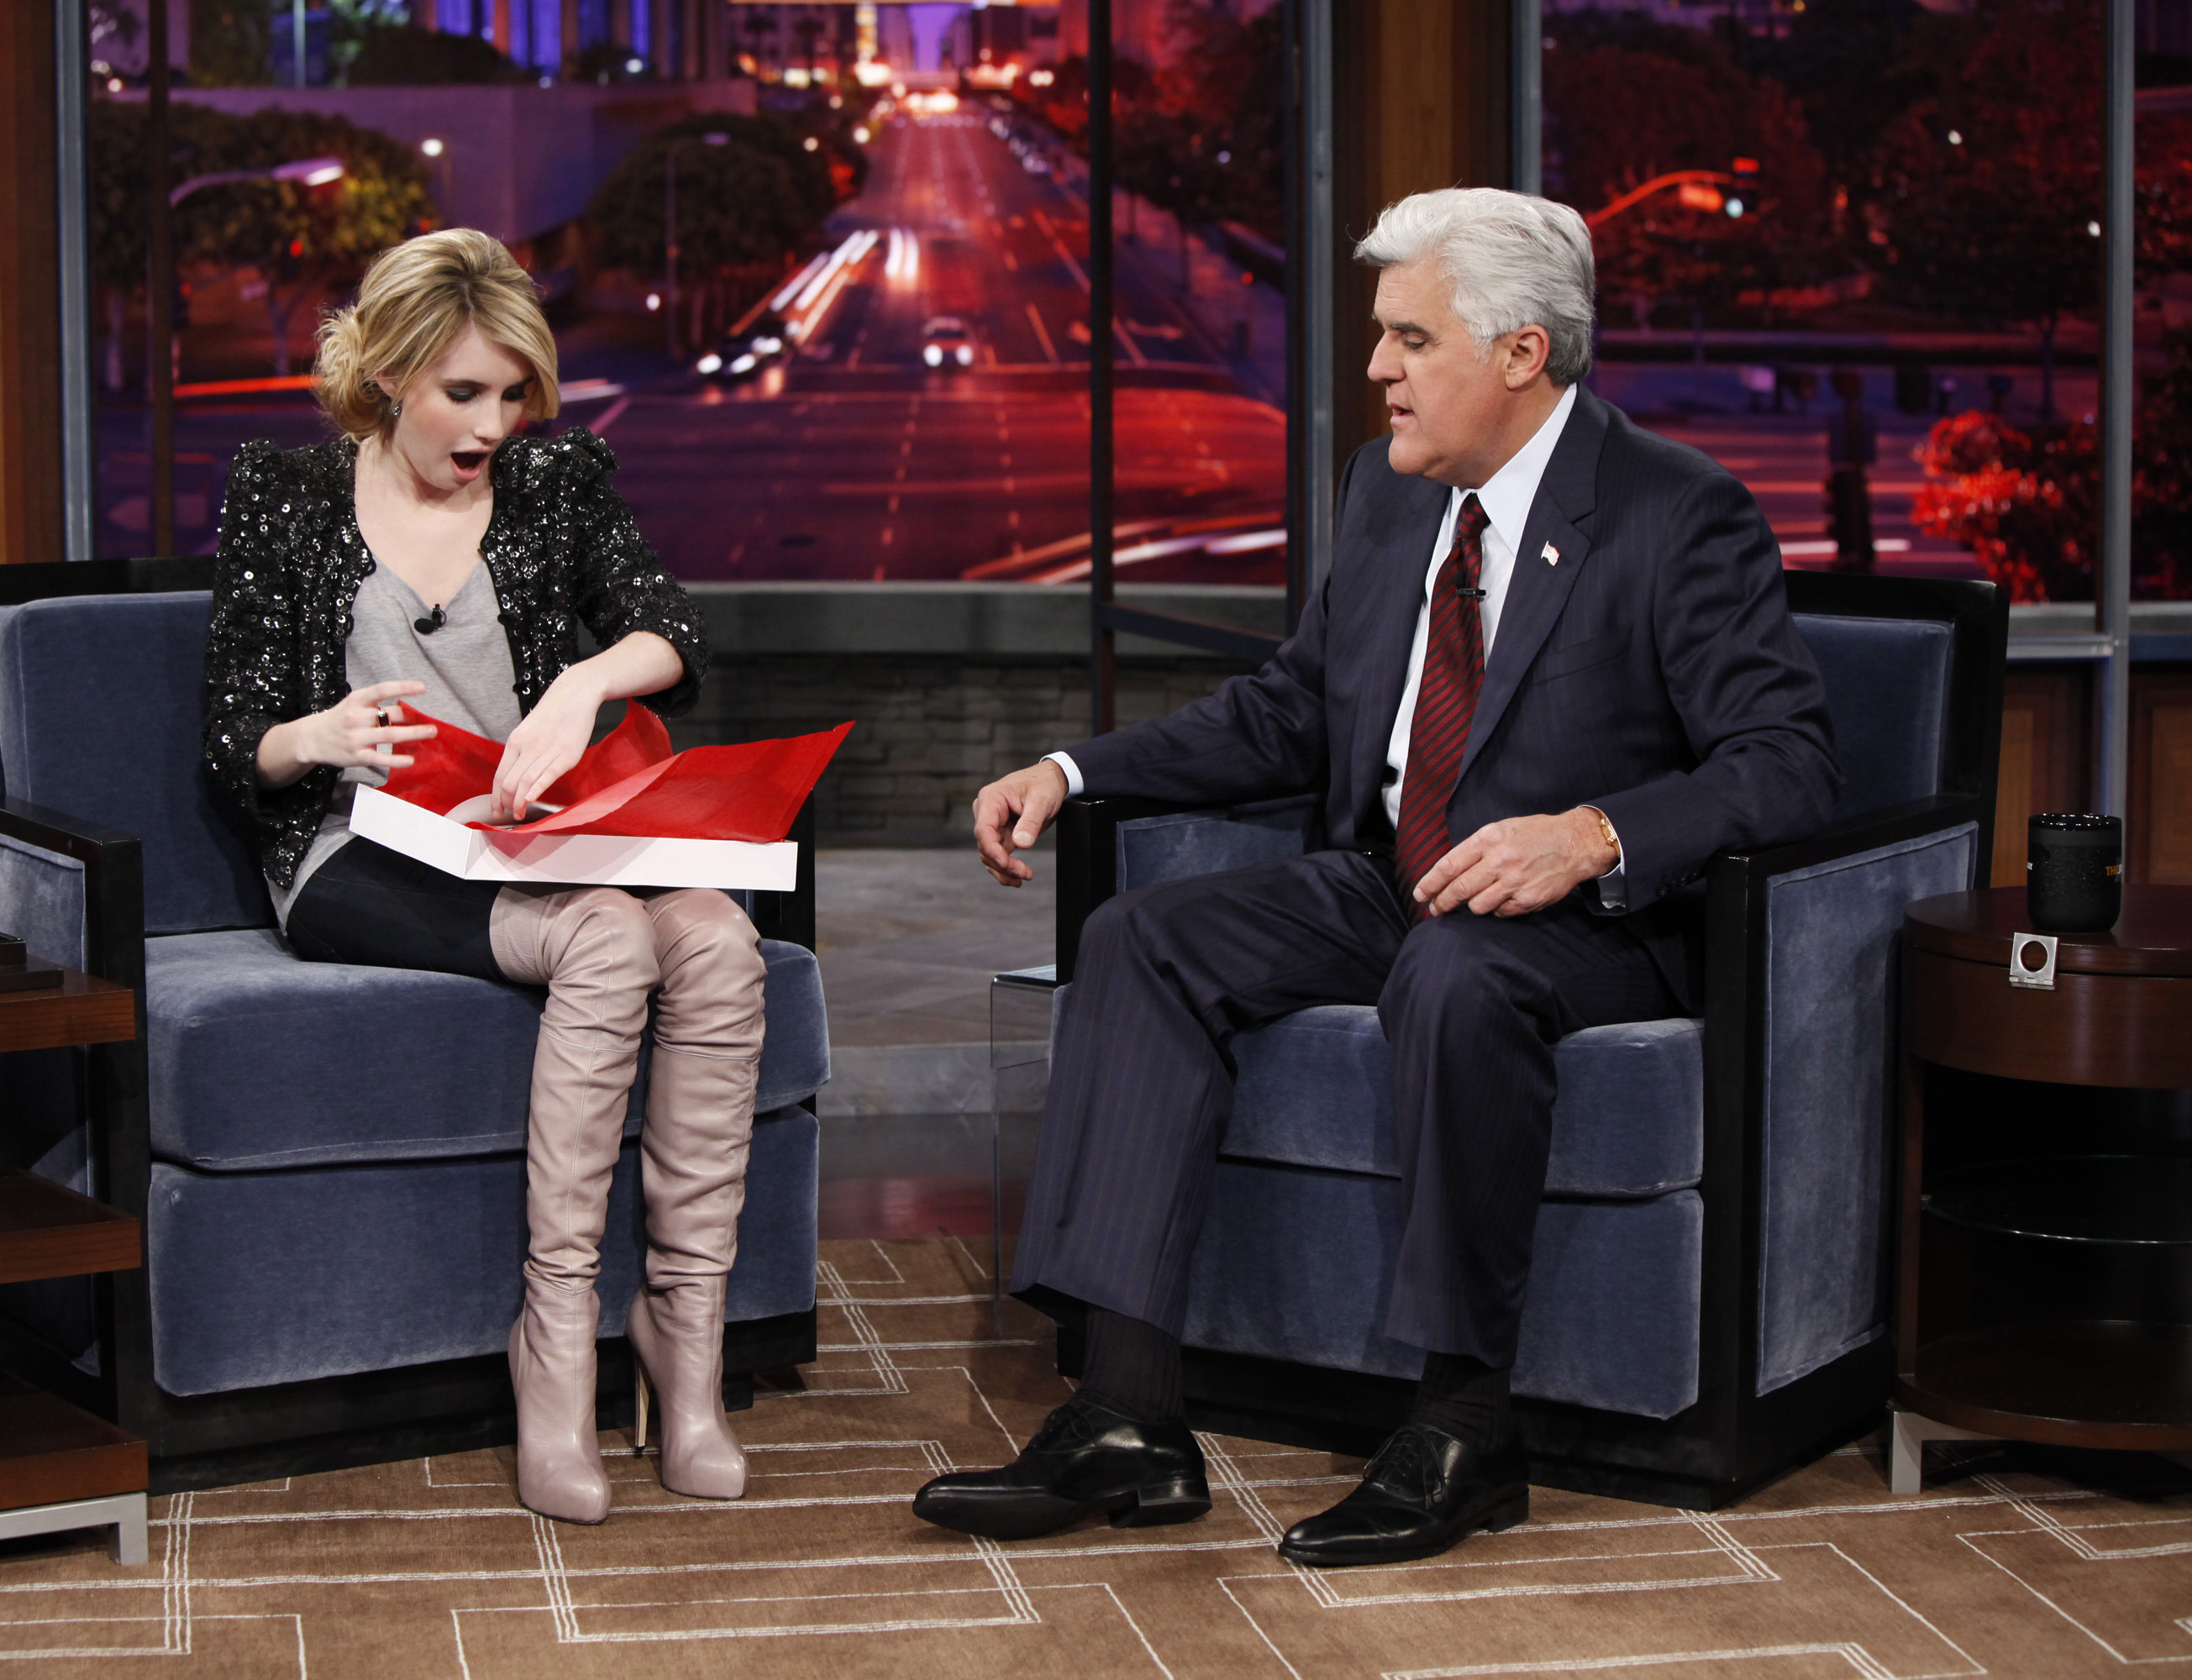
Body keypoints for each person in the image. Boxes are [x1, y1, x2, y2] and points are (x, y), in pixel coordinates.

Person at [915, 189, 1838, 1567]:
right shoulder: (1389, 491)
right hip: (1395, 879)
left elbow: (1789, 762)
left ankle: (1465, 1428)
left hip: (1590, 922)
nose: (1377, 369)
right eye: (1381, 337)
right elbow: (1293, 710)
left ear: (1521, 353)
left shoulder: (1676, 511)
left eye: (1411, 338)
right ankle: (1127, 1414)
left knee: (1456, 975)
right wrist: (1074, 770)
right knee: (1141, 936)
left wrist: (1590, 833)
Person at [201, 228, 765, 1526]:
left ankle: (686, 1339)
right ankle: (553, 1349)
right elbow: (234, 742)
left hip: (526, 837)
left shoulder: (557, 483)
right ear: (390, 375)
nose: (495, 425)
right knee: (610, 940)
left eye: (514, 394)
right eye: (464, 393)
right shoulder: (284, 494)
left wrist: (583, 683)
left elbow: (672, 631)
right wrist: (319, 736)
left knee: (719, 941)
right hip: (355, 848)